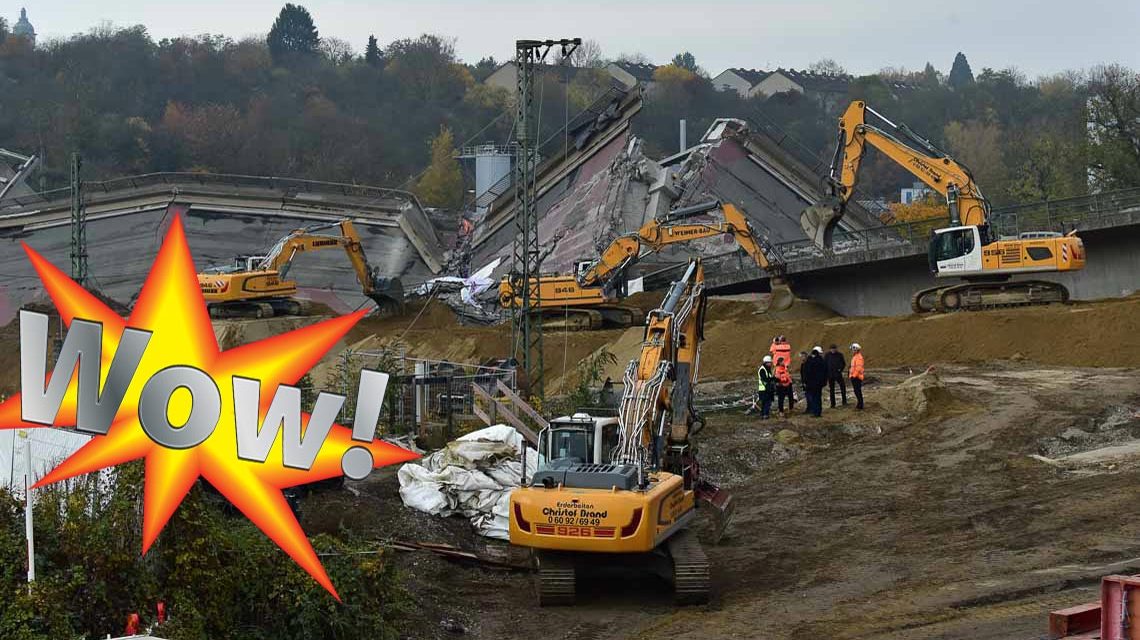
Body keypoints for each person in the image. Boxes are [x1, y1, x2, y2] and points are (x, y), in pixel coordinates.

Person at [803, 346, 828, 418]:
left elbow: (807, 372)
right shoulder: (822, 361)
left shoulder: (810, 361)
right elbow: (825, 372)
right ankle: (818, 412)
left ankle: (815, 412)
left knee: (814, 397)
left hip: (812, 383)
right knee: (818, 397)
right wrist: (824, 382)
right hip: (819, 383)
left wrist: (806, 381)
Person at [849, 343, 865, 410]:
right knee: (857, 391)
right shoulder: (855, 356)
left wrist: (854, 376)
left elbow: (858, 368)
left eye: (853, 350)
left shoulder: (858, 357)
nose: (852, 351)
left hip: (857, 377)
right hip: (855, 376)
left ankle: (860, 405)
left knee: (857, 391)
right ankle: (859, 404)